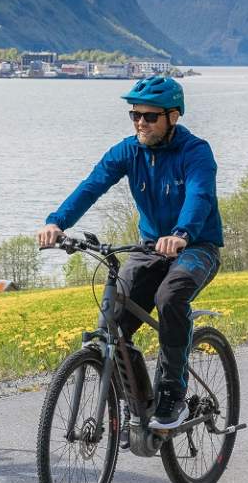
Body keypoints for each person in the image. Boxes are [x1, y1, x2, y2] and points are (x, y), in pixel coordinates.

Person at [35, 75, 221, 431]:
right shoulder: (128, 151)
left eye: (149, 116)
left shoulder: (196, 151)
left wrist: (182, 233)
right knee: (111, 324)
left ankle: (172, 393)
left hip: (196, 246)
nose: (140, 122)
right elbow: (92, 186)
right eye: (134, 115)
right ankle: (140, 403)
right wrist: (57, 222)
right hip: (150, 248)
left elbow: (199, 196)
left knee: (170, 297)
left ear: (172, 117)